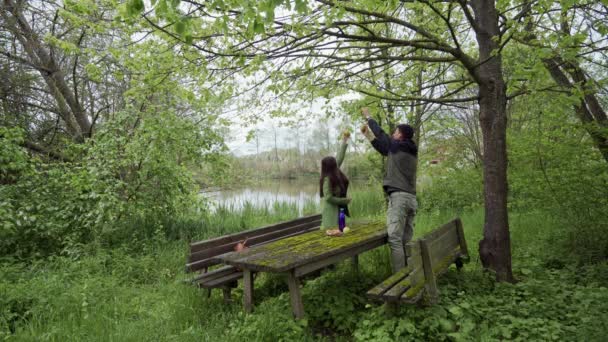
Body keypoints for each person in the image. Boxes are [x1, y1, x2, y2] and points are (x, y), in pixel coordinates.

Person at [361, 107, 418, 273]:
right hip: (411, 199)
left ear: (401, 135)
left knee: (394, 239)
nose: (393, 133)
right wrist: (368, 136)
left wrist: (369, 118)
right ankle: (411, 273)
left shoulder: (398, 146)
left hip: (399, 198)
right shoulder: (408, 149)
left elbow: (383, 136)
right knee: (406, 240)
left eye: (396, 131)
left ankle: (399, 278)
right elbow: (384, 148)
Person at [320, 132, 352, 230]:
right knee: (333, 232)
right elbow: (328, 197)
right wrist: (344, 201)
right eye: (335, 163)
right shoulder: (327, 180)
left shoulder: (333, 171)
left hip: (339, 209)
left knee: (341, 231)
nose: (337, 163)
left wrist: (345, 140)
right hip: (331, 213)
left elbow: (339, 157)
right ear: (331, 166)